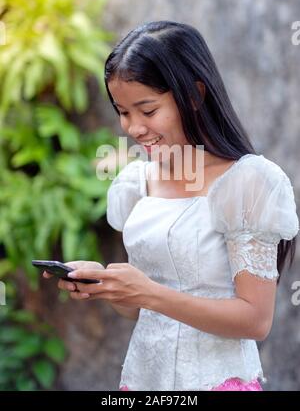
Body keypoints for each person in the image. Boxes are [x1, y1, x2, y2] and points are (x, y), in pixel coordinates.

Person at [44, 21, 299, 391]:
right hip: (142, 381)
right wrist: (107, 284)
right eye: (123, 111)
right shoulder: (138, 181)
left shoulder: (247, 182)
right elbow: (141, 309)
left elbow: (255, 320)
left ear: (194, 94)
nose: (133, 127)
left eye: (147, 110)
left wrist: (148, 293)